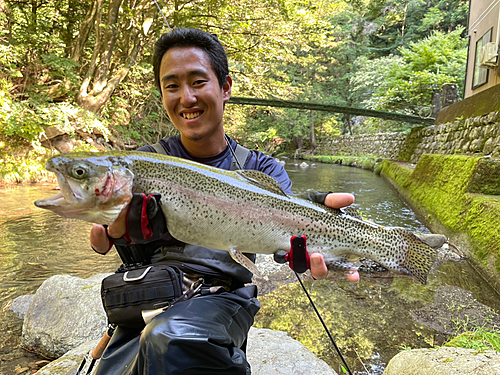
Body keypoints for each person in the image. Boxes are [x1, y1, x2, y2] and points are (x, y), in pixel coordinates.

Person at [90, 27, 358, 375]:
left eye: (198, 81)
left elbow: (289, 231)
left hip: (222, 299)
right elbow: (102, 240)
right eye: (172, 86)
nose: (186, 97)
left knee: (169, 338)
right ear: (162, 94)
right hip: (149, 296)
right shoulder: (146, 163)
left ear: (225, 87)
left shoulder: (260, 168)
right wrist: (117, 238)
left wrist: (323, 228)